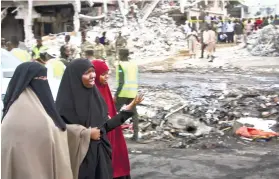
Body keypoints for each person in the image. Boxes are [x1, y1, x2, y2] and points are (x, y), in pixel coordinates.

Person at [1, 62, 101, 179]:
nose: (44, 81)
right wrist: (85, 133)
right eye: (40, 78)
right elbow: (54, 130)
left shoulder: (12, 113)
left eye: (45, 78)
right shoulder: (30, 113)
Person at [55, 59, 143, 179]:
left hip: (101, 159)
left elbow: (104, 128)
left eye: (93, 71)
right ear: (75, 76)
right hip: (79, 162)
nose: (92, 75)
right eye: (87, 72)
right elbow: (58, 133)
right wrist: (86, 133)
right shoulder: (64, 104)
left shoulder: (96, 99)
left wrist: (126, 112)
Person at [92, 59, 131, 179]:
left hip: (112, 131)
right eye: (103, 74)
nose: (107, 77)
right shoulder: (93, 93)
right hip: (102, 135)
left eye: (107, 73)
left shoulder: (105, 89)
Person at [114, 49, 140, 141]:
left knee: (113, 112)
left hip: (123, 93)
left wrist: (116, 94)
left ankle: (111, 133)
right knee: (134, 113)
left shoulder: (121, 66)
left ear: (121, 55)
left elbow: (121, 82)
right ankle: (136, 135)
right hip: (132, 93)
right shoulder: (134, 65)